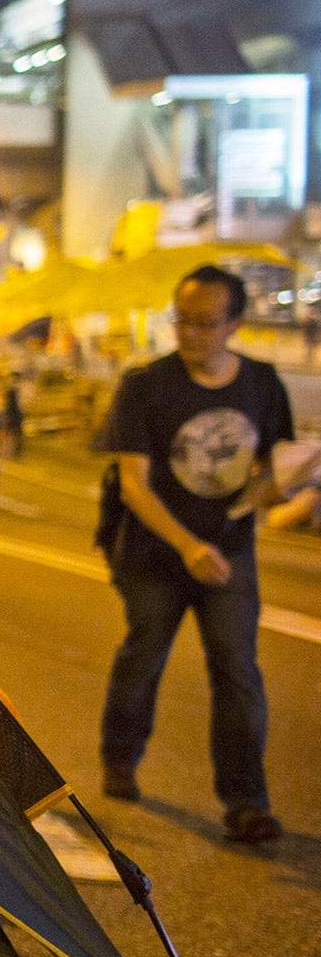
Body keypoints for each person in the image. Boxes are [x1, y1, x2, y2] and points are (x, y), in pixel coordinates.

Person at [98, 266, 293, 843]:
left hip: (229, 553)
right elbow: (134, 482)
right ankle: (121, 755)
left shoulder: (261, 384)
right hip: (156, 555)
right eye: (182, 320)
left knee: (237, 670)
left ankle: (246, 802)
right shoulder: (146, 385)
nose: (190, 334)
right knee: (145, 656)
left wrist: (272, 490)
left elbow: (274, 465)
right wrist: (187, 545)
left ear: (233, 324)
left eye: (206, 324)